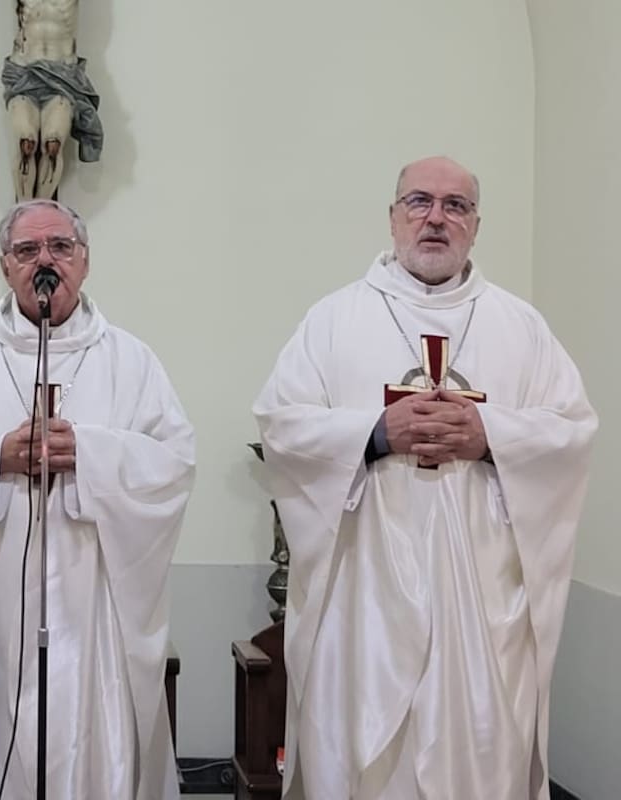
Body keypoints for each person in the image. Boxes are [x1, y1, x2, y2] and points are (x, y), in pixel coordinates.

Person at [253, 156, 597, 800]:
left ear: (475, 225)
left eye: (455, 205)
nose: (436, 218)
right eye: (419, 202)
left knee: (476, 759)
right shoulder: (334, 319)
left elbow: (572, 431)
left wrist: (490, 435)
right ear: (392, 217)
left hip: (482, 603)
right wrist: (377, 433)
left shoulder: (521, 326)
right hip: (363, 601)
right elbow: (282, 425)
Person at [0, 199, 194, 799]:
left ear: (84, 262)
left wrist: (92, 455)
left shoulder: (131, 360)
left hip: (92, 608)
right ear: (5, 268)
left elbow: (174, 465)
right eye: (27, 251)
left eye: (60, 248)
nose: (45, 261)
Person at [2, 0, 103, 201]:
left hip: (62, 78)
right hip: (24, 74)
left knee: (52, 145)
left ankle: (45, 209)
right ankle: (23, 211)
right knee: (26, 143)